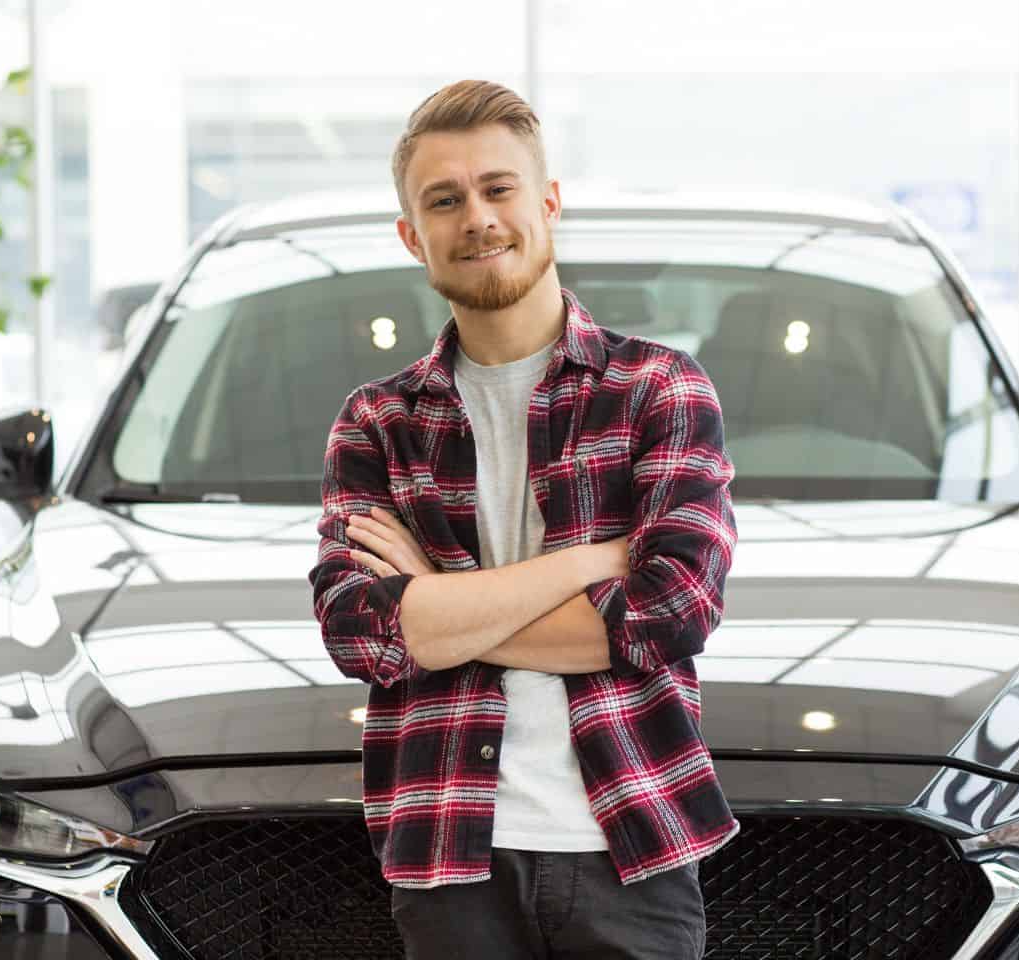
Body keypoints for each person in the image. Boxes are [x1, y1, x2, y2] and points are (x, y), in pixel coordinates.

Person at [308, 79, 738, 960]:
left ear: (545, 201)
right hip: (447, 852)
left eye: (498, 188)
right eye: (444, 199)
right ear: (411, 233)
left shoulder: (658, 388)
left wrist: (437, 602)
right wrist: (588, 563)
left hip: (632, 845)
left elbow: (668, 613)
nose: (478, 217)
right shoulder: (376, 423)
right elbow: (364, 635)